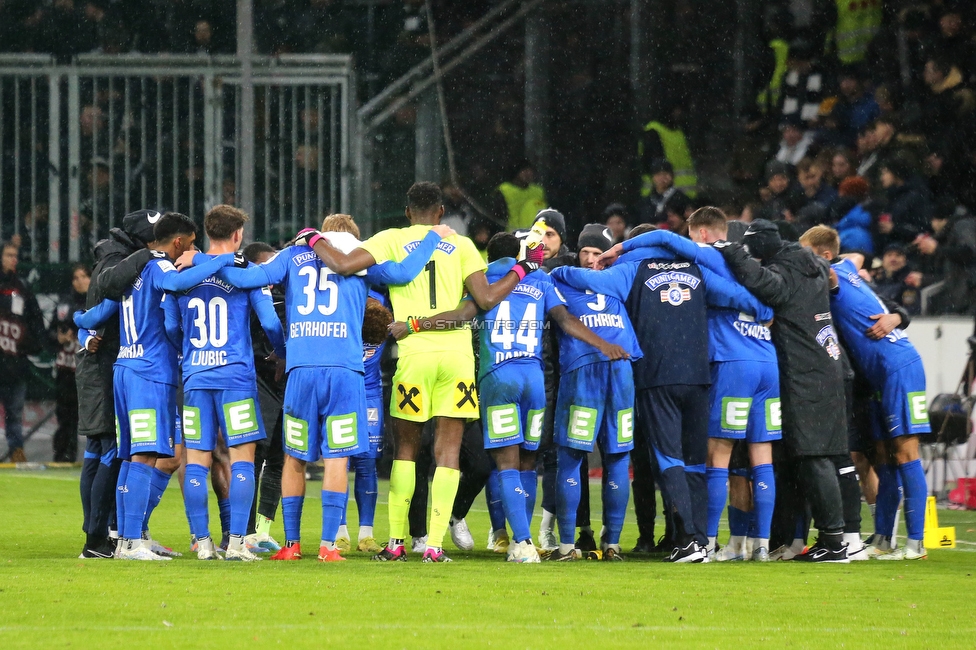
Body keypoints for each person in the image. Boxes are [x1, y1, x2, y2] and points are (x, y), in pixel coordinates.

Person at [301, 182, 534, 563]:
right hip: (456, 356)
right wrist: (524, 268)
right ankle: (436, 546)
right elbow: (487, 299)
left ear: (407, 212)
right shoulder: (461, 245)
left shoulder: (390, 238)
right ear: (441, 212)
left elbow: (342, 266)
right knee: (448, 453)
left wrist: (312, 238)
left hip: (413, 356)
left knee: (406, 451)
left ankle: (396, 543)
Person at [211, 215, 451, 562]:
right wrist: (431, 239)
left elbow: (249, 277)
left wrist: (210, 261)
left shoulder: (293, 255)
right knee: (337, 456)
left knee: (294, 456)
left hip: (302, 368)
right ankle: (327, 547)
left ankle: (291, 546)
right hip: (344, 371)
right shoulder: (363, 256)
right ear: (352, 236)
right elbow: (402, 274)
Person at [392, 231, 629, 563]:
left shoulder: (482, 278)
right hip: (534, 378)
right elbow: (564, 319)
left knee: (505, 462)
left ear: (487, 256)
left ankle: (521, 542)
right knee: (529, 460)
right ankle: (529, 539)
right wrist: (602, 343)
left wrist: (415, 325)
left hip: (499, 376)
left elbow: (461, 316)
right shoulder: (540, 279)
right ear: (519, 253)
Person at [553, 226, 771, 563]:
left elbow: (591, 282)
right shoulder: (698, 272)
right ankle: (700, 540)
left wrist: (560, 269)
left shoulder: (631, 270)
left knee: (669, 459)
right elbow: (739, 297)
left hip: (657, 377)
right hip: (699, 377)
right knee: (696, 463)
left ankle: (685, 541)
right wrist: (766, 311)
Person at [612, 208, 781, 562]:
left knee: (716, 457)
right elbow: (756, 300)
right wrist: (764, 312)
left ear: (702, 234)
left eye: (691, 237)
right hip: (767, 359)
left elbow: (660, 238)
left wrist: (620, 249)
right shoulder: (751, 265)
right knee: (760, 455)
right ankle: (759, 544)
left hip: (732, 363)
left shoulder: (707, 257)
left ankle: (705, 540)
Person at [76, 212, 237, 561]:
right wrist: (222, 260)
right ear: (178, 242)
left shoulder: (131, 272)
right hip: (150, 372)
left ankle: (125, 540)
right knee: (144, 456)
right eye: (191, 244)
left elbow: (96, 314)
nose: (192, 250)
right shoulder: (160, 266)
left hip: (124, 368)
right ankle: (132, 541)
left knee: (132, 456)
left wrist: (79, 324)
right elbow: (177, 290)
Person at [710, 219, 852, 563]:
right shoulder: (812, 262)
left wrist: (730, 251)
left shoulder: (787, 271)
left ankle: (834, 541)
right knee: (814, 457)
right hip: (826, 365)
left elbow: (765, 284)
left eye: (751, 249)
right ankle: (818, 537)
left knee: (815, 456)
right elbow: (834, 275)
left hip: (807, 372)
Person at [800, 226, 931, 560]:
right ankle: (885, 539)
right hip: (880, 375)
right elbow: (853, 256)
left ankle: (916, 544)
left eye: (807, 255)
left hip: (899, 367)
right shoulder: (846, 267)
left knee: (906, 453)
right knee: (884, 457)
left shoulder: (834, 277)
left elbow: (831, 268)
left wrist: (897, 317)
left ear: (824, 258)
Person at [176, 205, 286, 561]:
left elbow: (170, 326)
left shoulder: (186, 270)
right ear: (238, 235)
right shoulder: (249, 272)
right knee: (241, 459)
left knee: (196, 460)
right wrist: (281, 352)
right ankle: (238, 542)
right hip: (235, 376)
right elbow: (270, 322)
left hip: (195, 375)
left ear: (208, 233)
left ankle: (202, 542)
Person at [547, 224, 642, 562]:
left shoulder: (560, 276)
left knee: (606, 456)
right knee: (586, 455)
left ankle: (606, 542)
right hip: (614, 365)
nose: (590, 260)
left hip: (591, 368)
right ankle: (573, 544)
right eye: (585, 252)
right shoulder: (620, 279)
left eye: (596, 253)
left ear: (606, 255)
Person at [74, 208, 158, 559]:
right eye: (154, 237)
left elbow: (90, 314)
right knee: (108, 450)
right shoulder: (118, 264)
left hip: (100, 365)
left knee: (97, 450)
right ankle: (98, 538)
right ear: (142, 239)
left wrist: (82, 327)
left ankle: (100, 533)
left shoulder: (113, 258)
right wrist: (83, 329)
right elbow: (102, 306)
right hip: (104, 367)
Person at [0, 241, 44, 463]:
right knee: (14, 411)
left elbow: (36, 323)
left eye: (15, 255)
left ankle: (17, 451)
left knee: (15, 412)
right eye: (8, 255)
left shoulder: (23, 288)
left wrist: (29, 345)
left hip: (15, 364)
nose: (12, 259)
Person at [50, 264, 90, 463]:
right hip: (66, 368)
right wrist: (58, 338)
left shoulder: (97, 302)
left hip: (89, 371)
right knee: (65, 416)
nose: (79, 281)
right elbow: (49, 332)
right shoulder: (64, 303)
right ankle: (63, 455)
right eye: (76, 277)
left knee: (90, 417)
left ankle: (95, 458)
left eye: (84, 277)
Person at [492, 160, 547, 232]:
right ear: (516, 172)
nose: (528, 174)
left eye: (530, 170)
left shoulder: (538, 191)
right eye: (524, 170)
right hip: (513, 236)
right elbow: (497, 218)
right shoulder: (504, 191)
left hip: (537, 236)